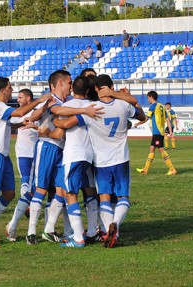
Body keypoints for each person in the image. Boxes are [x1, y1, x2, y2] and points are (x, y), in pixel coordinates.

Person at [55, 74, 145, 248]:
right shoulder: (122, 105)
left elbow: (66, 124)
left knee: (104, 197)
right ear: (111, 86)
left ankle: (107, 230)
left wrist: (56, 120)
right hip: (121, 158)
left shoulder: (92, 109)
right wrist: (120, 95)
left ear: (95, 89)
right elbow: (141, 116)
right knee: (122, 197)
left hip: (101, 161)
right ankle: (115, 226)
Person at [25, 70, 102, 246]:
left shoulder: (67, 102)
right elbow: (33, 116)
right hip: (47, 146)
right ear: (60, 83)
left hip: (62, 148)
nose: (70, 85)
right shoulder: (51, 100)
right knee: (41, 189)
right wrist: (43, 106)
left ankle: (49, 229)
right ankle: (31, 232)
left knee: (61, 189)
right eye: (69, 82)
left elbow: (61, 129)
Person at [0, 77, 52, 249]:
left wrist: (21, 125)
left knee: (10, 193)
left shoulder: (1, 108)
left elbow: (9, 125)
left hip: (3, 155)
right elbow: (18, 113)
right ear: (3, 90)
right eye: (10, 87)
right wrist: (39, 101)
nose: (12, 90)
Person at [5, 89, 39, 241]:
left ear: (28, 98)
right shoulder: (18, 113)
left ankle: (23, 211)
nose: (17, 99)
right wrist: (22, 122)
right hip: (24, 153)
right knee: (26, 183)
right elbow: (11, 126)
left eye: (20, 97)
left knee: (34, 188)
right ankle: (15, 222)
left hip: (38, 154)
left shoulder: (38, 112)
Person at [135, 91, 177, 176]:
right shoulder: (162, 106)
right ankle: (145, 169)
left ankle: (172, 169)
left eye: (148, 98)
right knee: (152, 149)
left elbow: (146, 118)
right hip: (160, 132)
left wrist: (138, 123)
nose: (148, 100)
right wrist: (171, 131)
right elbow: (168, 120)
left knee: (161, 149)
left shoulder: (153, 106)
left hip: (157, 132)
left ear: (150, 97)